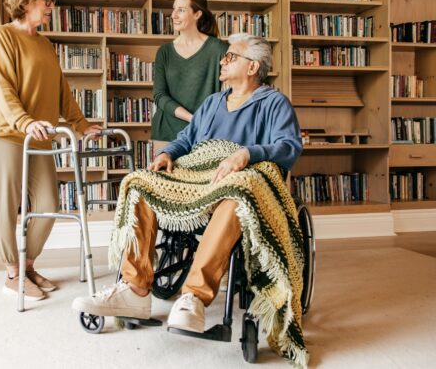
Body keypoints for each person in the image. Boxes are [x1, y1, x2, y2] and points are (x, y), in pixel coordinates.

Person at [72, 33, 302, 332]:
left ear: (252, 67)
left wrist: (247, 154)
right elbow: (186, 139)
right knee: (141, 183)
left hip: (235, 186)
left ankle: (193, 296)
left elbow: (289, 147)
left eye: (231, 56)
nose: (223, 60)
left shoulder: (274, 103)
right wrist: (168, 152)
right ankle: (135, 289)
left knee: (238, 196)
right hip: (196, 180)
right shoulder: (212, 103)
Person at [0, 0, 101, 301]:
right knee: (6, 206)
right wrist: (23, 121)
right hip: (6, 133)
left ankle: (28, 265)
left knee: (49, 204)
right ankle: (12, 273)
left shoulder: (46, 44)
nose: (52, 4)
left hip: (40, 136)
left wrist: (79, 123)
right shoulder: (2, 36)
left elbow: (61, 90)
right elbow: (3, 87)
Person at [151, 0, 229, 155]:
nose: (173, 15)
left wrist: (204, 122)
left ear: (197, 14)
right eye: (173, 10)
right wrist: (193, 119)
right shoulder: (164, 52)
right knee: (163, 181)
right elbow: (159, 95)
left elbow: (232, 92)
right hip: (166, 133)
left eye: (181, 10)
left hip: (205, 133)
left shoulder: (219, 49)